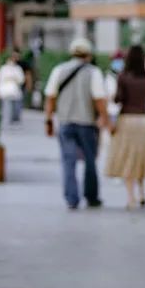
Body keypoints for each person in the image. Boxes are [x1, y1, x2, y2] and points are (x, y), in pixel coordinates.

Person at [44, 36, 109, 209]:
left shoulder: (59, 70)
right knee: (90, 160)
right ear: (88, 54)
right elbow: (99, 99)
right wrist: (105, 118)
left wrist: (48, 120)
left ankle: (71, 198)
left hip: (65, 121)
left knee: (68, 160)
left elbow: (50, 97)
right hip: (86, 122)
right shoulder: (93, 72)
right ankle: (91, 196)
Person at [105, 42, 145, 209]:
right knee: (141, 158)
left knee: (128, 158)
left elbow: (119, 99)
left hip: (127, 119)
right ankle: (142, 193)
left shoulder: (123, 77)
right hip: (144, 120)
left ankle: (130, 197)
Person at [0, 53, 25, 127]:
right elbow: (0, 79)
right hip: (4, 90)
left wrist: (14, 79)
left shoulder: (18, 68)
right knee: (5, 106)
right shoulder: (3, 68)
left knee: (16, 107)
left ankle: (14, 119)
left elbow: (21, 79)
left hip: (15, 90)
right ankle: (6, 119)